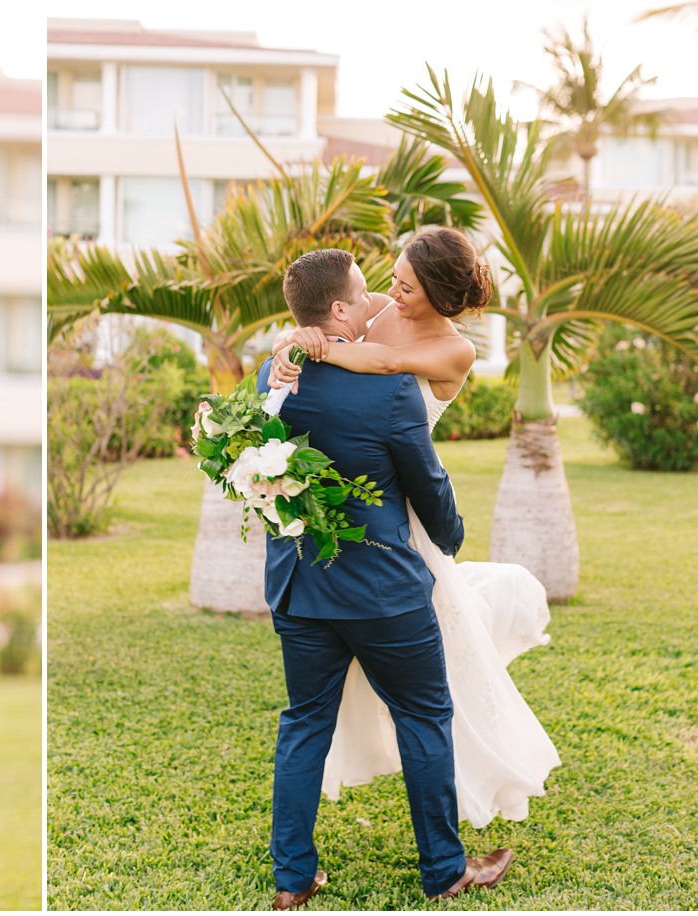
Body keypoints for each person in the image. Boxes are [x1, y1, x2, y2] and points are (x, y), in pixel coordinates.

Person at [268, 228, 560, 829]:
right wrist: (293, 338)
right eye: (392, 277)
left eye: (405, 285)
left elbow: (380, 360)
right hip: (349, 507)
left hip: (399, 518)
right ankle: (437, 849)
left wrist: (311, 348)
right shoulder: (379, 304)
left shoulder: (453, 352)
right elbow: (336, 313)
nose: (390, 292)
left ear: (439, 293)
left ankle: (472, 788)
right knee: (390, 691)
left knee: (435, 687)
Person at [254, 247, 512, 907]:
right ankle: (445, 870)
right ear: (341, 307)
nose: (379, 298)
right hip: (384, 588)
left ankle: (291, 882)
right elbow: (428, 486)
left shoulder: (272, 375)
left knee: (304, 722)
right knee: (424, 715)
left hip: (299, 584)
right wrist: (449, 539)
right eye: (367, 290)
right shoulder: (392, 390)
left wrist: (300, 338)